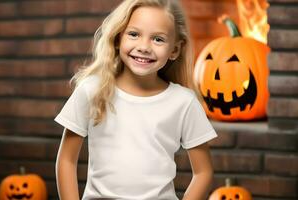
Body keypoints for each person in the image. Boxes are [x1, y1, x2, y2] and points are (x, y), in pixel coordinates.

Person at [55, 0, 217, 199]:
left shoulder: (183, 102)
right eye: (133, 34)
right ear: (118, 39)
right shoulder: (92, 90)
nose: (144, 47)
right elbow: (67, 160)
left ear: (175, 49)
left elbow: (203, 172)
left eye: (158, 39)